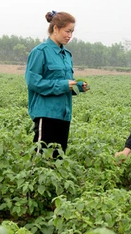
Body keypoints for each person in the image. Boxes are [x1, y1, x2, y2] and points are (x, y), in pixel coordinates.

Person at [25, 10, 89, 158]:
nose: (70, 36)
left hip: (64, 114)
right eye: (67, 31)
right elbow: (33, 82)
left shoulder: (67, 55)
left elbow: (66, 83)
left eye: (72, 32)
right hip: (46, 113)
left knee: (58, 159)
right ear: (55, 29)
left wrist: (78, 87)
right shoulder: (40, 52)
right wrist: (63, 85)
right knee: (41, 158)